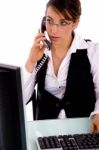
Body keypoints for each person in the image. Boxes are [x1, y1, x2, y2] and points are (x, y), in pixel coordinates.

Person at [24, 0, 99, 132]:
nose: (53, 29)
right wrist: (31, 61)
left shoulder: (92, 52)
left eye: (63, 23)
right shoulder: (40, 52)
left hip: (83, 131)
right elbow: (20, 100)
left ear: (75, 23)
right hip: (45, 133)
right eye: (49, 20)